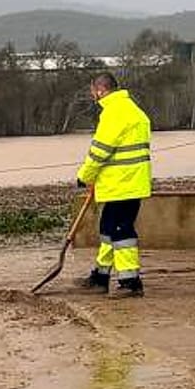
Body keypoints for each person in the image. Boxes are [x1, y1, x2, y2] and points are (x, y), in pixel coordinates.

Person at [76, 72, 151, 298]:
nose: (92, 96)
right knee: (108, 229)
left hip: (123, 184)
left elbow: (99, 151)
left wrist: (84, 176)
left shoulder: (114, 114)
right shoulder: (132, 110)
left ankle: (130, 282)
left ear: (100, 90)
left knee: (121, 231)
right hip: (127, 182)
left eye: (93, 92)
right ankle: (100, 276)